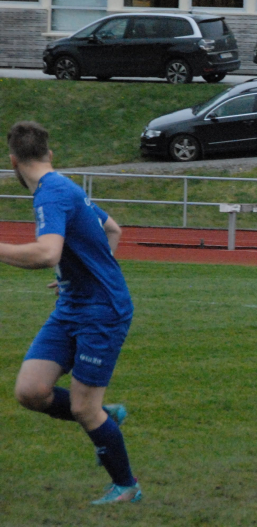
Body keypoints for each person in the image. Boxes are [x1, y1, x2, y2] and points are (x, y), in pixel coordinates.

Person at [3, 121, 141, 504]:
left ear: (12, 161)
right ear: (49, 154)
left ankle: (127, 487)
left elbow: (48, 253)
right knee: (30, 391)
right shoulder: (65, 186)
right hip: (72, 305)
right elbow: (113, 230)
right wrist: (80, 274)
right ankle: (106, 417)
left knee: (83, 407)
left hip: (103, 310)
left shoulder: (52, 193)